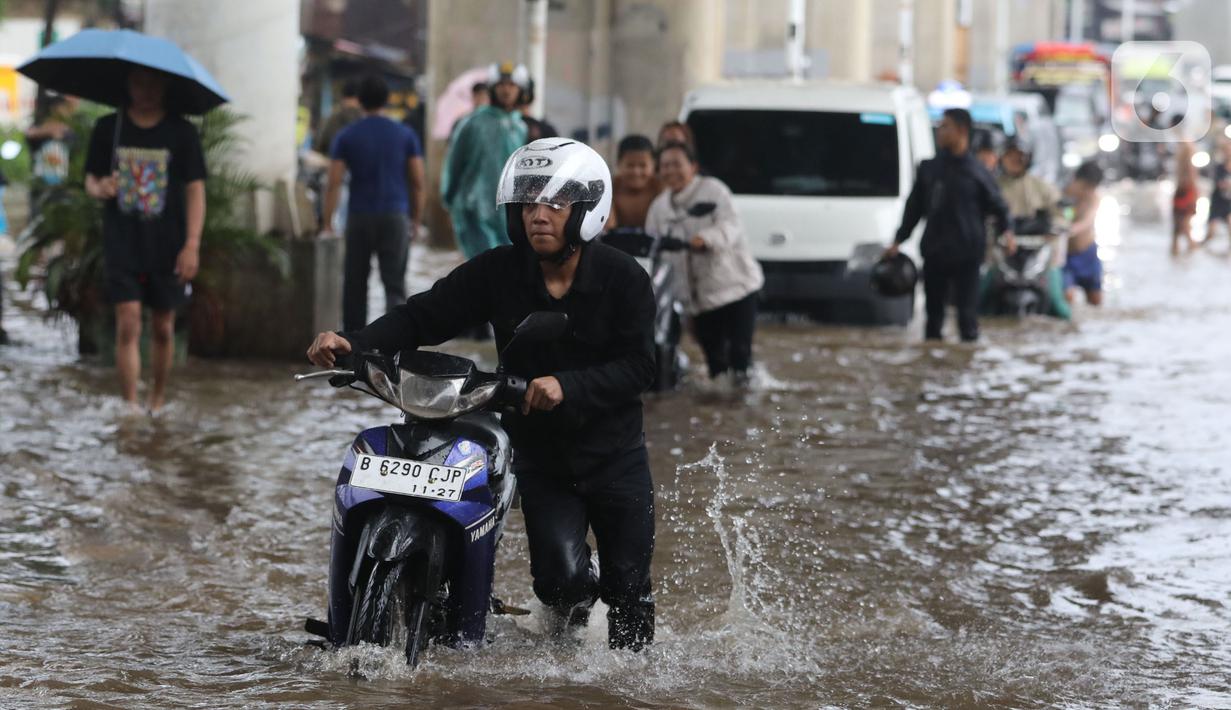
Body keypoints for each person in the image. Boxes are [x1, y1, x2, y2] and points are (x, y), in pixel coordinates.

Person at [307, 137, 658, 651]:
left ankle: (630, 685)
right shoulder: (499, 270)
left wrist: (569, 384)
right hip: (542, 456)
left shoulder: (624, 278)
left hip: (615, 454)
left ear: (586, 210)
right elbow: (423, 315)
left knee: (629, 591)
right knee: (558, 583)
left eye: (556, 204)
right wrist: (353, 343)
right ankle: (575, 627)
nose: (539, 215)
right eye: (530, 204)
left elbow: (641, 366)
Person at [84, 67, 207, 413]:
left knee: (164, 327)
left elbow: (196, 189)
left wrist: (192, 244)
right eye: (139, 83)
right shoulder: (109, 127)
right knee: (127, 321)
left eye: (153, 84)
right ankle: (130, 405)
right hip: (122, 240)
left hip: (168, 244)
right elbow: (90, 179)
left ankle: (157, 396)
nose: (146, 91)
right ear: (127, 84)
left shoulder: (182, 132)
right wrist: (100, 188)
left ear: (165, 86)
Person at [885, 107, 1013, 343]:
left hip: (968, 254)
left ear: (962, 131)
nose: (940, 132)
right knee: (933, 318)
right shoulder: (929, 169)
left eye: (945, 127)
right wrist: (897, 241)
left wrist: (1008, 234)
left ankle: (965, 369)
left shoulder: (977, 171)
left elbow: (999, 206)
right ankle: (934, 366)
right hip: (935, 251)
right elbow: (914, 209)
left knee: (967, 318)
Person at [646, 141, 763, 383]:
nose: (671, 171)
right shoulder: (659, 208)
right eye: (665, 166)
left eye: (677, 164)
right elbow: (652, 249)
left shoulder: (714, 191)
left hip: (736, 288)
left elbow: (731, 225)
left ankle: (742, 404)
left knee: (740, 356)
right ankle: (722, 405)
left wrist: (705, 239)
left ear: (693, 166)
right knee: (715, 364)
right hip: (697, 300)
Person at [322, 75, 425, 333]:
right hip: (395, 216)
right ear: (387, 100)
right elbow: (417, 182)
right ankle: (395, 345)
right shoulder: (405, 135)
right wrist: (416, 219)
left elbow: (333, 182)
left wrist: (327, 223)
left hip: (358, 218)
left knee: (355, 284)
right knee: (394, 285)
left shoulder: (347, 136)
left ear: (359, 101)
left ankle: (353, 345)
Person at [442, 62, 529, 259]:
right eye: (501, 85)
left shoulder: (519, 127)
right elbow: (454, 163)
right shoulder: (472, 123)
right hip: (473, 209)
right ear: (492, 88)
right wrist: (449, 199)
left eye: (512, 85)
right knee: (482, 270)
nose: (507, 90)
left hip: (508, 212)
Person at [990, 139, 1069, 319]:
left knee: (1059, 306)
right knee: (980, 300)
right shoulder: (993, 187)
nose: (1014, 160)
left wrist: (1056, 227)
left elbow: (1063, 214)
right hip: (1002, 255)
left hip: (1039, 255)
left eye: (1019, 157)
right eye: (1010, 156)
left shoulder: (1043, 187)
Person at [25, 94, 79, 212]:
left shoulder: (68, 130)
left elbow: (74, 144)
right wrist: (49, 131)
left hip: (62, 183)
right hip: (41, 182)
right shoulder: (38, 128)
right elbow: (29, 134)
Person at [1063, 161, 1104, 306]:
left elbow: (1087, 221)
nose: (1087, 191)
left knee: (1096, 300)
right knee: (1067, 296)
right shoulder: (1062, 195)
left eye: (1091, 188)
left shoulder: (1094, 198)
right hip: (1066, 256)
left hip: (1088, 254)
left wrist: (1072, 229)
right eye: (1085, 187)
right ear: (1076, 179)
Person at [604, 135, 660, 229]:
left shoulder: (660, 187)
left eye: (642, 165)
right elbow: (608, 227)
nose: (636, 172)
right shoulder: (610, 188)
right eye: (630, 165)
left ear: (654, 165)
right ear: (618, 164)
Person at [313, 79, 362, 156]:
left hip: (333, 163)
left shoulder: (331, 118)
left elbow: (319, 147)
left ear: (343, 97)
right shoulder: (366, 119)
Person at [1172, 141, 1198, 256]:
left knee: (1178, 226)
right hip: (1187, 194)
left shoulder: (1179, 163)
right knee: (1185, 225)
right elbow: (1192, 182)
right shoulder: (1188, 165)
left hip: (1181, 194)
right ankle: (1191, 249)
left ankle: (1179, 251)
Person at [1205, 145, 1231, 250]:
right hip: (1217, 202)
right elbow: (1219, 183)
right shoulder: (1218, 167)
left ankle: (1228, 255)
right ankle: (1202, 248)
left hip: (1229, 203)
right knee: (1211, 232)